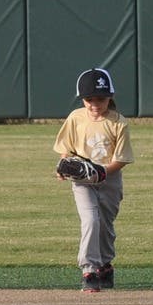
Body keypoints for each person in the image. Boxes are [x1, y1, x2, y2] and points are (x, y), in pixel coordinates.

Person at [54, 67, 134, 292]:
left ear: (110, 97)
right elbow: (66, 150)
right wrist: (63, 166)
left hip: (110, 180)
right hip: (82, 181)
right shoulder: (76, 118)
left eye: (100, 99)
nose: (94, 104)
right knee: (90, 220)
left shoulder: (118, 123)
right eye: (89, 99)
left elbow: (121, 159)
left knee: (105, 226)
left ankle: (105, 265)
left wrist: (102, 172)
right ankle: (89, 270)